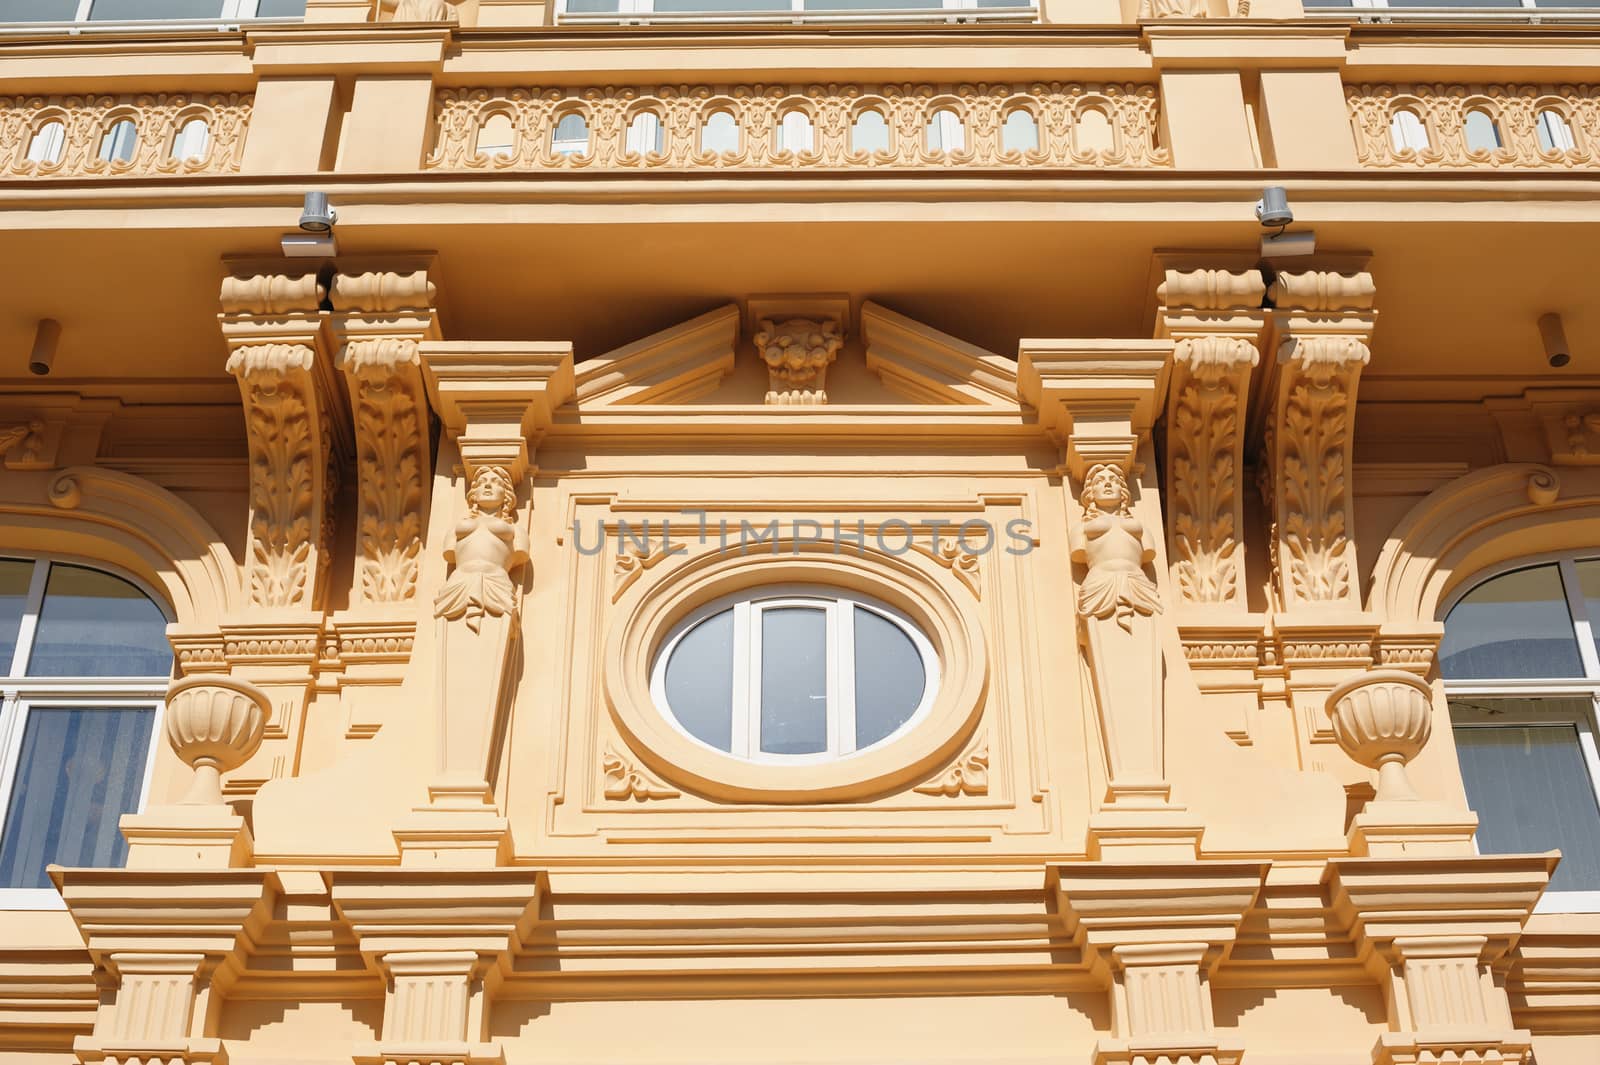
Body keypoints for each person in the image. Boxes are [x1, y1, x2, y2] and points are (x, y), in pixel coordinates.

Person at [434, 465, 528, 633]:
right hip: (458, 583)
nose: (488, 485)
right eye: (482, 482)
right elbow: (449, 552)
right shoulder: (457, 528)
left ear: (506, 494)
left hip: (496, 584)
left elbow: (521, 552)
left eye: (495, 482)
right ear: (474, 494)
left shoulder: (517, 531)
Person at [1074, 463, 1161, 631]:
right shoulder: (1080, 528)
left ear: (1122, 491)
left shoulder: (1139, 526)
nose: (1107, 484)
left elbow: (1149, 551)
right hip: (1100, 583)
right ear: (1090, 493)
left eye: (1113, 480)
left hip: (1137, 582)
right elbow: (1077, 551)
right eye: (1100, 481)